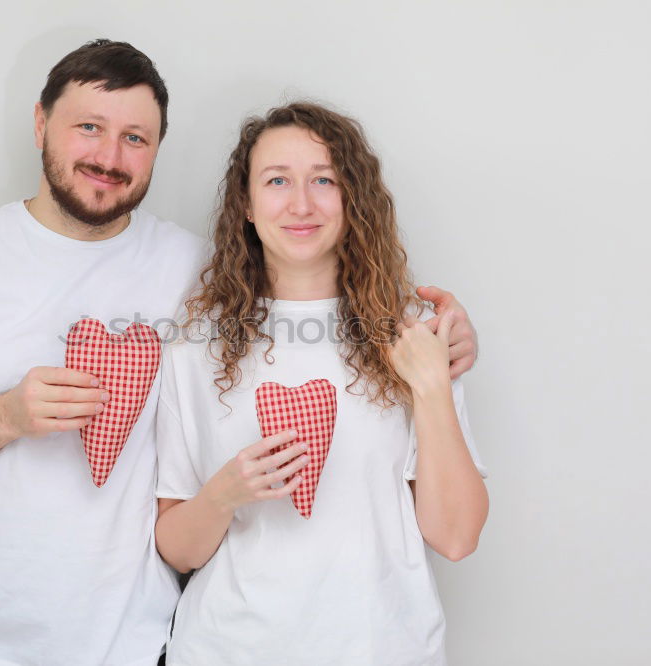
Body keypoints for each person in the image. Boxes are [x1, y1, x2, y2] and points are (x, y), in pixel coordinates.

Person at [0, 39, 479, 665]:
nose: (109, 155)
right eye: (88, 126)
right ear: (39, 123)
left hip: (140, 644)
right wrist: (2, 418)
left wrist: (441, 352)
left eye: (135, 137)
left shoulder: (199, 280)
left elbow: (305, 296)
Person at [154, 102, 489, 665]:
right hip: (228, 649)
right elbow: (178, 551)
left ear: (352, 198)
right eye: (278, 180)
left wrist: (431, 388)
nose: (302, 203)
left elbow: (455, 537)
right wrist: (225, 493)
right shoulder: (195, 347)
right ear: (247, 205)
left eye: (324, 180)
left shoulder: (412, 335)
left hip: (383, 648)